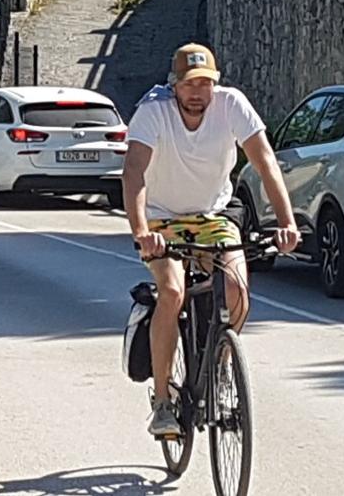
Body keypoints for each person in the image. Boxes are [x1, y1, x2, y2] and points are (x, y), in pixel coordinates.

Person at [122, 43, 300, 437]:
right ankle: (164, 401)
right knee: (171, 291)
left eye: (205, 84)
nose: (198, 93)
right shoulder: (153, 112)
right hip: (163, 218)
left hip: (214, 215)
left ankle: (219, 359)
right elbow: (133, 172)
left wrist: (286, 222)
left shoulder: (231, 105)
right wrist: (142, 232)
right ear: (174, 87)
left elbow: (265, 160)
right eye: (189, 85)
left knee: (237, 288)